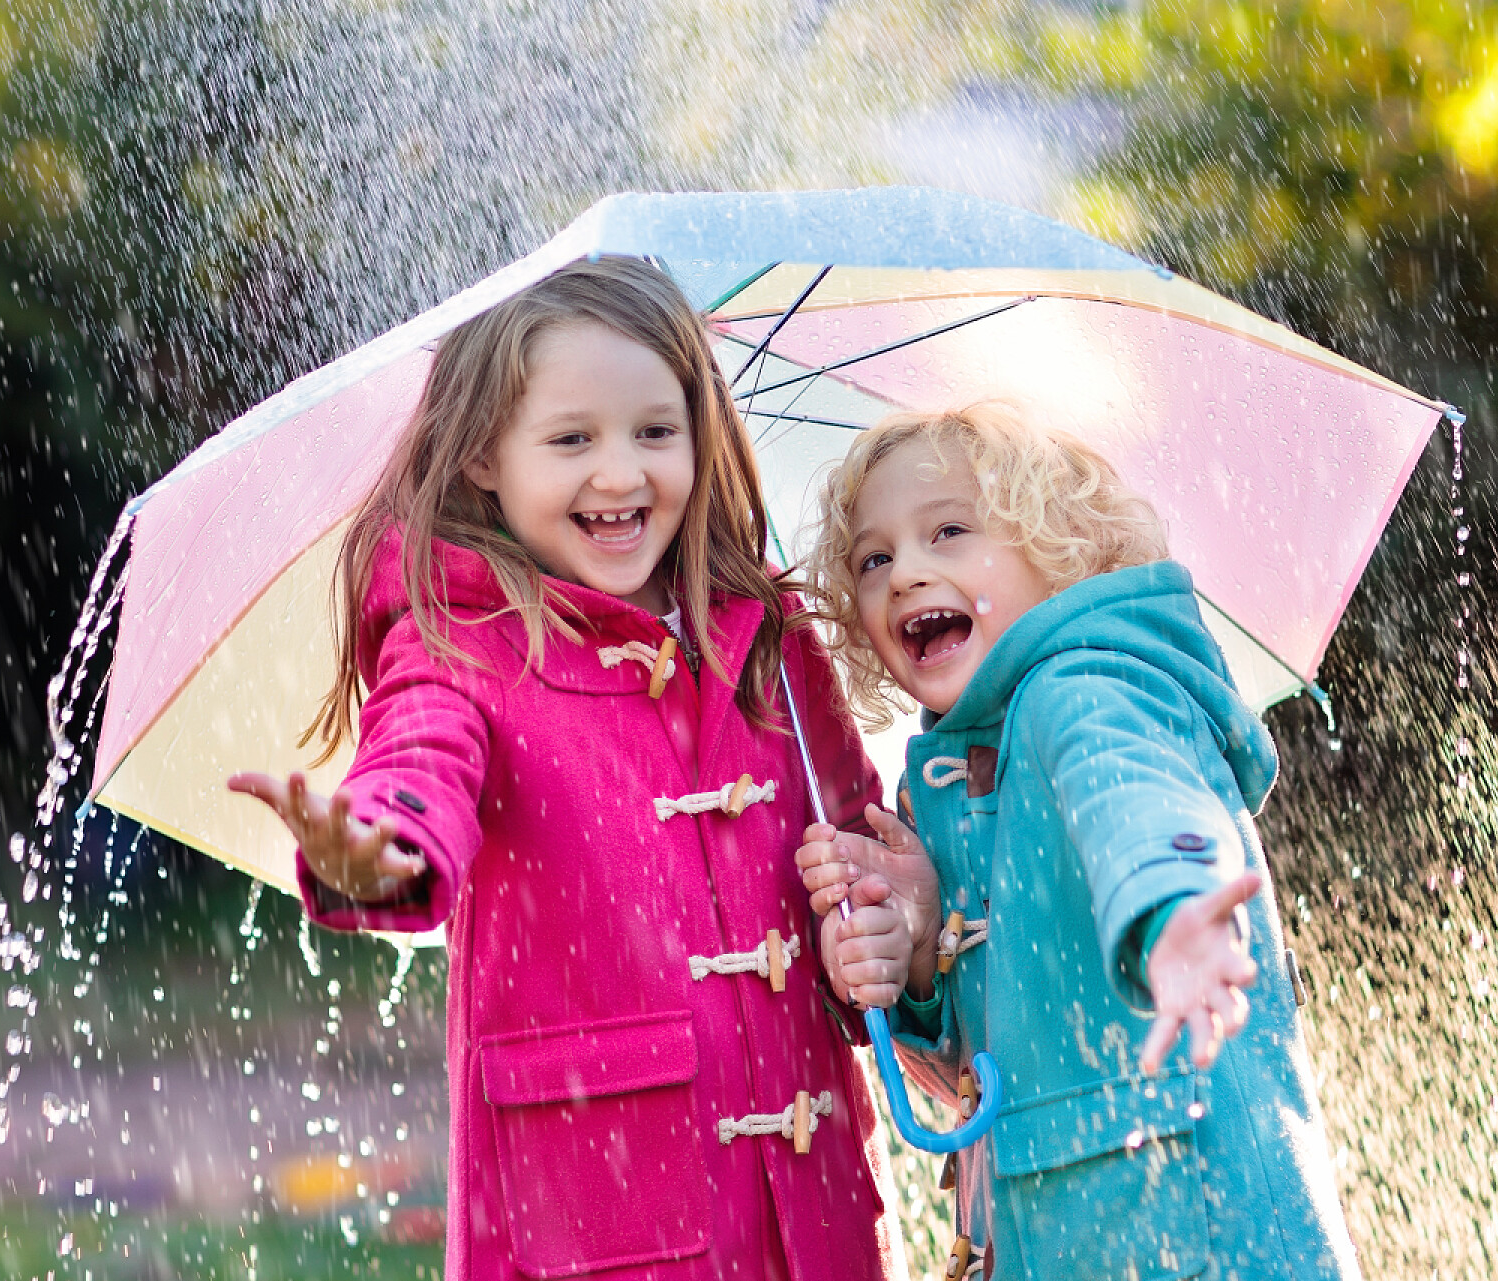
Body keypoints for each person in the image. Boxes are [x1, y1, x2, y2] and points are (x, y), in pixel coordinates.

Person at [229, 257, 890, 1281]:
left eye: (655, 432)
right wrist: (381, 846)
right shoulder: (462, 642)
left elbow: (866, 847)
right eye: (572, 439)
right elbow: (419, 754)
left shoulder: (771, 640)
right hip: (596, 1217)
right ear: (487, 455)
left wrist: (893, 921)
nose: (621, 475)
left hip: (809, 1219)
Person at [795, 404, 1360, 1279]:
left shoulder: (1081, 691)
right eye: (875, 558)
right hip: (1071, 1238)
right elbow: (978, 1071)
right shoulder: (949, 781)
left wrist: (1172, 909)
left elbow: (1136, 796)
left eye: (949, 531)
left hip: (1196, 1234)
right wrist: (918, 948)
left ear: (1056, 548)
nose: (906, 572)